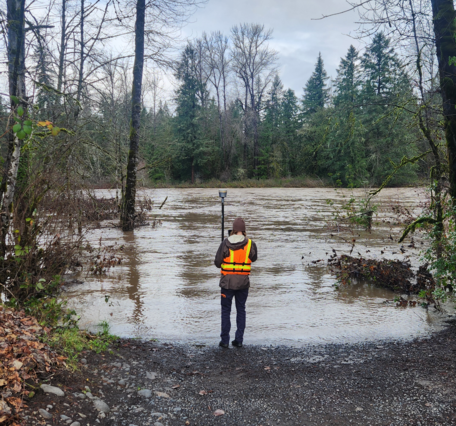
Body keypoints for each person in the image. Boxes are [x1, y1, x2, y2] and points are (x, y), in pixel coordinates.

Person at [214, 217, 257, 348]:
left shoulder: (225, 243)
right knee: (241, 310)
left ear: (233, 230)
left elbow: (217, 263)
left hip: (227, 283)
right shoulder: (250, 244)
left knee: (226, 311)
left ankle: (225, 341)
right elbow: (253, 258)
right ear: (244, 231)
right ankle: (239, 340)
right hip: (243, 283)